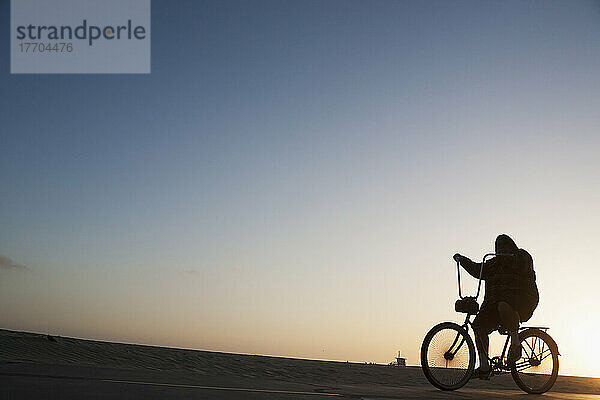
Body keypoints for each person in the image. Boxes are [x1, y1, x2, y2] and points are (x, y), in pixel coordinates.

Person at [453, 234, 539, 379]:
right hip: (494, 304)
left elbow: (524, 265)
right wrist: (462, 260)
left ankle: (516, 345)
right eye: (499, 248)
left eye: (506, 247)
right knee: (478, 326)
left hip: (523, 300)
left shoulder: (522, 257)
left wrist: (510, 257)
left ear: (512, 247)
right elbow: (476, 269)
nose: (502, 251)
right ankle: (485, 366)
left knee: (504, 305)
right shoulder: (492, 264)